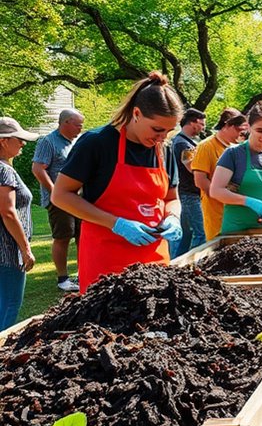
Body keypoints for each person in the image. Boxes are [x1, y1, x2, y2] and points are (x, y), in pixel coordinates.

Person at [52, 72, 184, 293]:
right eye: (157, 129)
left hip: (154, 258)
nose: (162, 137)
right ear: (136, 113)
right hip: (106, 259)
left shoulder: (165, 149)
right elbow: (61, 195)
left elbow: (172, 198)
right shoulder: (97, 143)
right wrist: (117, 224)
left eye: (169, 131)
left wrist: (173, 217)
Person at [210, 103, 262, 234]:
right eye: (260, 130)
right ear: (249, 127)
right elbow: (216, 191)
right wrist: (248, 201)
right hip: (236, 229)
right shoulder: (233, 154)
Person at [31, 108, 83, 292]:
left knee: (82, 236)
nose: (81, 128)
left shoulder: (75, 141)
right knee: (63, 237)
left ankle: (82, 273)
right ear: (66, 123)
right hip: (60, 200)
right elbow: (38, 169)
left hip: (78, 199)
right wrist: (56, 193)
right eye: (78, 125)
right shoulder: (48, 141)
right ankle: (63, 278)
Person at [0, 118, 38, 329]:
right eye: (19, 139)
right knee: (9, 306)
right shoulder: (4, 171)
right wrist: (25, 249)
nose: (24, 143)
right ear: (4, 141)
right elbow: (7, 212)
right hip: (8, 250)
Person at [192, 108, 247, 242]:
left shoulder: (236, 148)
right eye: (238, 131)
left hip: (237, 213)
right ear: (227, 125)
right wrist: (223, 195)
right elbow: (200, 181)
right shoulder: (206, 146)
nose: (240, 135)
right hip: (216, 214)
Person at [167, 107, 206, 258]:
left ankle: (177, 262)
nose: (203, 127)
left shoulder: (187, 142)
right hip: (188, 194)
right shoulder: (182, 143)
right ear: (192, 123)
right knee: (200, 233)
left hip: (188, 194)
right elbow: (192, 168)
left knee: (185, 234)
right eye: (201, 124)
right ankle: (191, 264)